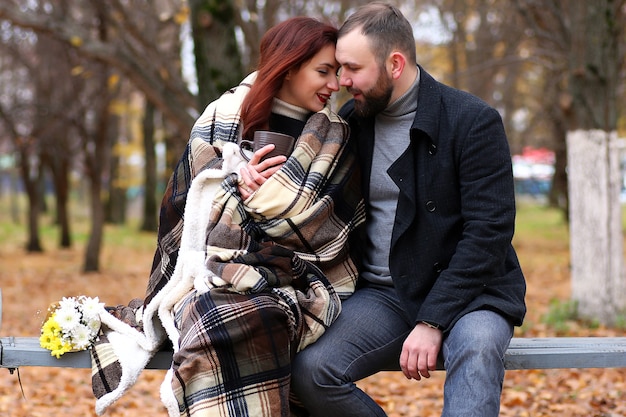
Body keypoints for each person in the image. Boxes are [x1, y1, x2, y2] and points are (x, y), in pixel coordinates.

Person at [89, 17, 364, 417]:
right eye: (323, 71)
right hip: (207, 274)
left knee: (261, 316)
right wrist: (231, 180)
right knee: (211, 314)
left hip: (298, 280)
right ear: (288, 67)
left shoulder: (336, 137)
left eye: (338, 73)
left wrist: (268, 197)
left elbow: (332, 229)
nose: (334, 85)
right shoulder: (223, 116)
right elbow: (185, 202)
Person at [289, 3, 527, 417]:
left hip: (474, 294)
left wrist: (433, 320)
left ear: (395, 63)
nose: (342, 81)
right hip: (385, 294)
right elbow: (307, 190)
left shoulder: (472, 121)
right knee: (312, 370)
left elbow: (489, 232)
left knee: (478, 347)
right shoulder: (353, 121)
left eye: (352, 68)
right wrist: (256, 178)